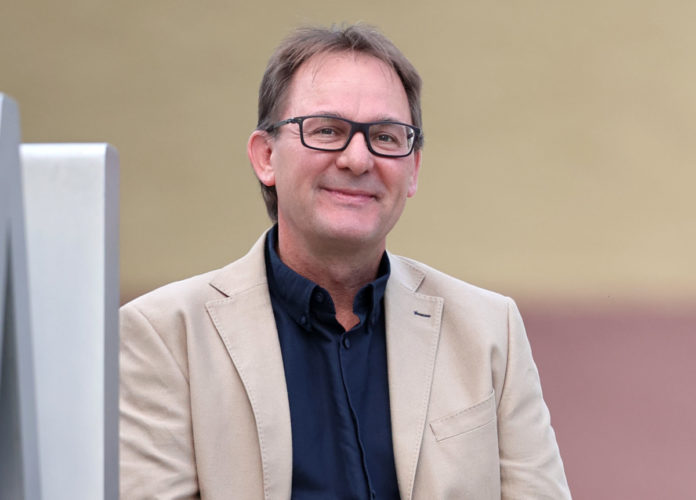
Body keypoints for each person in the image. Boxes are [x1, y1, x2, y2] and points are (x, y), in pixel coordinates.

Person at [120, 24, 571, 499]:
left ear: (413, 170)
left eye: (385, 137)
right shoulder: (164, 337)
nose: (358, 159)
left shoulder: (488, 331)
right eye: (327, 130)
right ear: (266, 156)